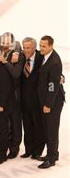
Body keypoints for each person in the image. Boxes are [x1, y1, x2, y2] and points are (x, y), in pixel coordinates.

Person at [36, 36, 65, 169]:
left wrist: (48, 104)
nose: (41, 48)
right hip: (47, 100)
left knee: (51, 130)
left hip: (52, 102)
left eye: (44, 46)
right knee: (47, 128)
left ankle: (51, 158)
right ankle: (53, 153)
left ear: (51, 46)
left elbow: (52, 86)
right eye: (40, 45)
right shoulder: (45, 56)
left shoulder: (54, 62)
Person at [20, 37, 45, 159]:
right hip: (24, 100)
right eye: (24, 47)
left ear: (34, 48)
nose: (25, 50)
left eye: (28, 47)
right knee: (27, 126)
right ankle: (28, 150)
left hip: (37, 100)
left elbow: (51, 70)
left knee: (38, 126)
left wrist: (61, 76)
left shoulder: (42, 57)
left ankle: (37, 151)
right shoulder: (20, 57)